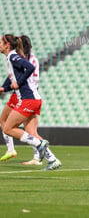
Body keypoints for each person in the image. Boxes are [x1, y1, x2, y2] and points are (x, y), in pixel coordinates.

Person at [0, 35, 62, 169]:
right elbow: (15, 79)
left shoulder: (12, 56)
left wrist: (19, 83)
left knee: (8, 128)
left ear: (7, 45)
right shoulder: (15, 57)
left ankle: (38, 144)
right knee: (31, 132)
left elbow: (29, 68)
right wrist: (5, 88)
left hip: (28, 99)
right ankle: (52, 160)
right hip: (35, 99)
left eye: (0, 42)